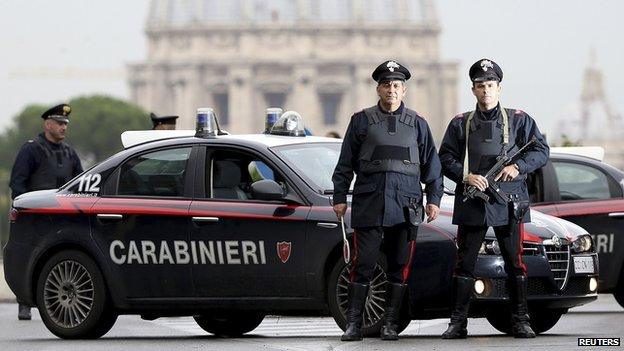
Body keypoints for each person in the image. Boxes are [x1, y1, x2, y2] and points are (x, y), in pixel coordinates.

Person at [332, 60, 443, 341]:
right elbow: (345, 163)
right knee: (363, 264)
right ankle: (354, 324)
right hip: (370, 202)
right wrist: (339, 196)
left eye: (396, 86)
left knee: (398, 265)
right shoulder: (361, 120)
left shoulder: (418, 123)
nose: (391, 90)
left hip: (406, 206)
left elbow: (432, 165)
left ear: (404, 90)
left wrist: (434, 199)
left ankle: (391, 323)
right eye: (386, 85)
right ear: (378, 89)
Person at [438, 59, 549, 339]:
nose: (485, 91)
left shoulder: (520, 119)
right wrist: (465, 177)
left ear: (499, 88)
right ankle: (458, 322)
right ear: (473, 90)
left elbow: (541, 151)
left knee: (515, 262)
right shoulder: (460, 123)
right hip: (473, 201)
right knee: (465, 263)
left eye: (490, 85)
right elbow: (445, 158)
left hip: (509, 202)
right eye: (480, 86)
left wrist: (518, 167)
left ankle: (520, 321)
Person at [9, 103, 83, 320]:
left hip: (63, 218)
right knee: (29, 258)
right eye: (59, 123)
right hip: (35, 217)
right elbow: (17, 184)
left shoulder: (70, 153)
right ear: (47, 124)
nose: (63, 128)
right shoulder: (31, 149)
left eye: (65, 124)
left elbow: (81, 184)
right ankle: (25, 302)